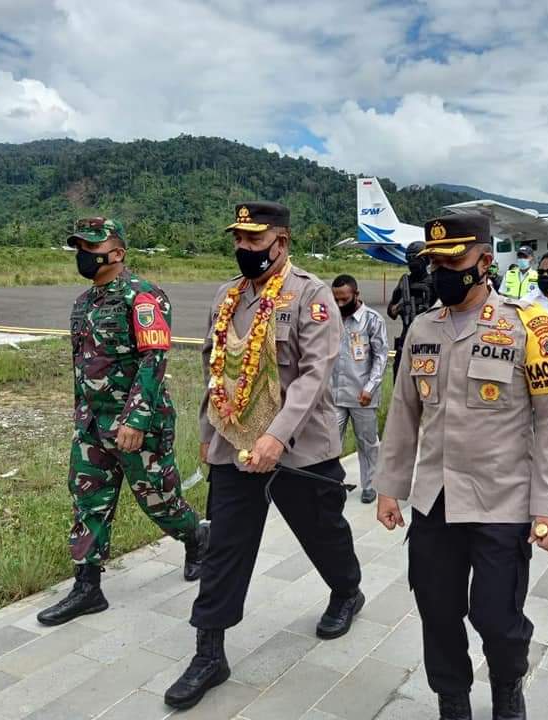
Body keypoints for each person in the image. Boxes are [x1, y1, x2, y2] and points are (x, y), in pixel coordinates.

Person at [375, 214, 548, 720]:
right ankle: (453, 698)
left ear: (485, 261)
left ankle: (508, 686)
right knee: (438, 612)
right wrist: (389, 487)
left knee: (497, 617)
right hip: (435, 501)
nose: (442, 270)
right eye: (435, 261)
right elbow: (403, 415)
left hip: (502, 501)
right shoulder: (422, 328)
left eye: (454, 261)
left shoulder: (528, 325)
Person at [164, 202, 363, 710]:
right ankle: (209, 651)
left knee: (323, 532)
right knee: (226, 545)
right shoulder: (227, 296)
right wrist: (209, 432)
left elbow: (316, 376)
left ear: (282, 243)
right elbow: (217, 371)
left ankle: (347, 590)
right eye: (240, 240)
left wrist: (275, 437)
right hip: (236, 447)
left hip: (300, 448)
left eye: (254, 241)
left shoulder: (311, 295)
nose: (244, 249)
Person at [37, 217, 207, 627]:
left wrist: (135, 419)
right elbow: (84, 366)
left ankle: (197, 538)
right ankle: (87, 588)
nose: (84, 254)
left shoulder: (143, 296)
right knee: (88, 499)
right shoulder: (83, 303)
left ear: (117, 253)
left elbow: (154, 359)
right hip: (93, 425)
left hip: (138, 425)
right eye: (79, 246)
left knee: (159, 501)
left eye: (91, 247)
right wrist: (83, 417)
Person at [331, 274, 389, 503]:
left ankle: (370, 484)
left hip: (362, 394)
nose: (339, 304)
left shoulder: (372, 320)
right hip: (334, 393)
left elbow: (381, 357)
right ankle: (335, 482)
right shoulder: (331, 318)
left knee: (367, 443)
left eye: (344, 299)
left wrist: (371, 387)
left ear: (356, 295)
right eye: (336, 299)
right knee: (330, 441)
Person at [388, 241, 435, 375]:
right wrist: (399, 308)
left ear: (426, 260)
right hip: (406, 338)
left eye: (416, 259)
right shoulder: (405, 282)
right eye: (409, 259)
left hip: (428, 339)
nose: (413, 263)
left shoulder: (433, 282)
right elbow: (391, 312)